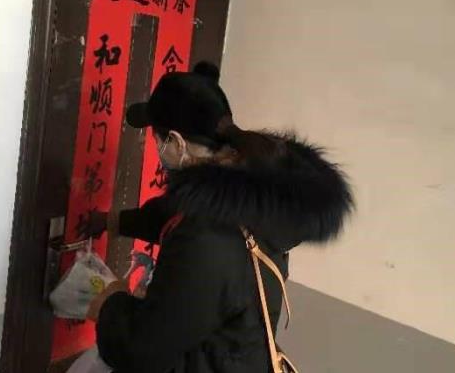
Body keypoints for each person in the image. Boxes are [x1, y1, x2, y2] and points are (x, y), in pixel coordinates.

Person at [82, 62, 353, 373]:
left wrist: (110, 304)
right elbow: (172, 214)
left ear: (176, 142)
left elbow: (141, 350)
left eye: (157, 139)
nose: (156, 148)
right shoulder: (255, 194)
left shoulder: (205, 236)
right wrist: (112, 221)